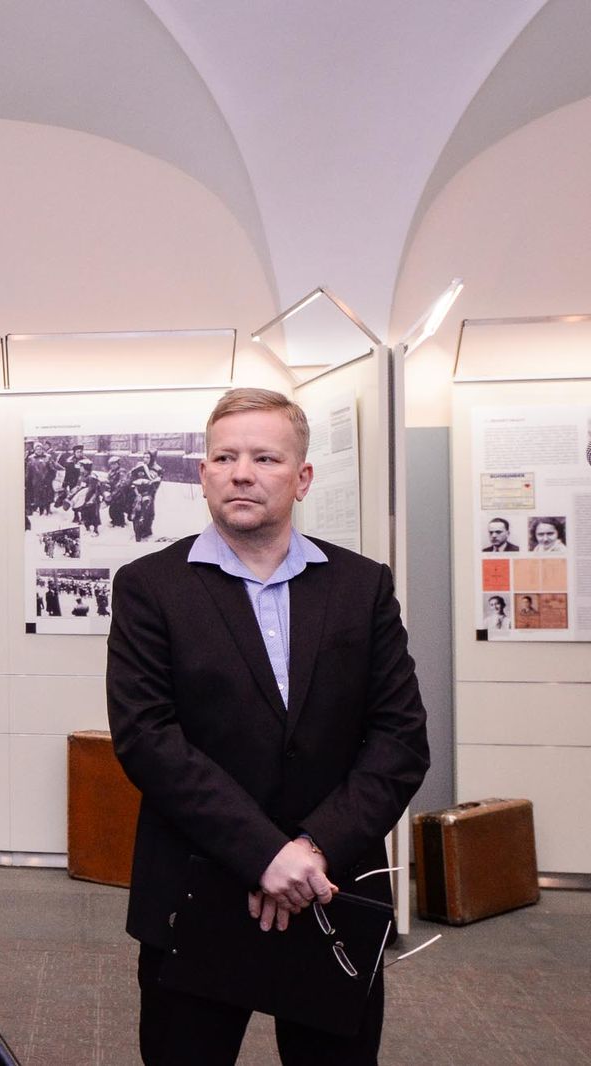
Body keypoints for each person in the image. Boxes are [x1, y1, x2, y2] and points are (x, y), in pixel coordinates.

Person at [107, 388, 428, 1066]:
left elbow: (399, 740)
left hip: (330, 889)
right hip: (195, 891)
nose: (242, 473)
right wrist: (264, 854)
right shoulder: (150, 587)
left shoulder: (361, 587)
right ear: (203, 475)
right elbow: (149, 739)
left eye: (264, 458)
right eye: (225, 458)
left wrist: (311, 848)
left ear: (302, 478)